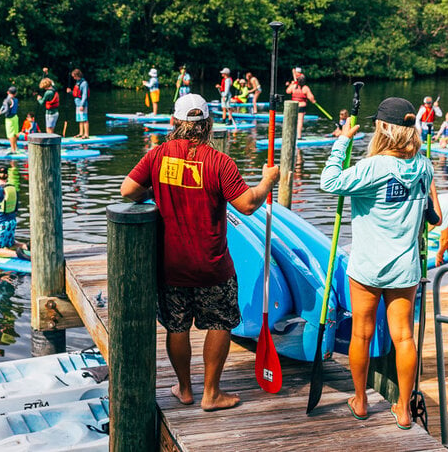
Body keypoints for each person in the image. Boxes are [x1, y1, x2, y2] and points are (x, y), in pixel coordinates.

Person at [120, 93, 280, 411]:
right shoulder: (219, 162)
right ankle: (211, 393)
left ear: (174, 123)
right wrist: (267, 181)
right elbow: (248, 204)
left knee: (176, 326)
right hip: (212, 266)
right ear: (207, 124)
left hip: (171, 266)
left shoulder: (158, 156)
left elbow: (127, 191)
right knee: (220, 322)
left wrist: (156, 187)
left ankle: (184, 389)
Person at [320, 97, 436, 430]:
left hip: (368, 266)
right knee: (403, 338)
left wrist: (342, 141)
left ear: (384, 128)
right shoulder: (424, 166)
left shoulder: (373, 167)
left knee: (362, 333)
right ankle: (402, 407)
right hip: (405, 268)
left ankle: (360, 399)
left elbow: (329, 182)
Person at [285, 70, 316, 139]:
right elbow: (311, 97)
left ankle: (290, 135)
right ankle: (299, 136)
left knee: (292, 121)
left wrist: (291, 84)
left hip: (294, 106)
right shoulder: (305, 88)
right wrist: (313, 101)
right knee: (300, 121)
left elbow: (287, 91)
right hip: (301, 106)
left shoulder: (294, 86)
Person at [0, 86, 19, 154]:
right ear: (15, 93)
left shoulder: (6, 100)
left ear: (8, 92)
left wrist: (0, 112)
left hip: (9, 119)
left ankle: (13, 150)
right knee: (15, 133)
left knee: (10, 135)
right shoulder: (16, 99)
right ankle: (15, 147)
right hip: (15, 117)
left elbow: (6, 110)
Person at [70, 68, 90, 139]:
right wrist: (70, 92)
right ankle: (81, 133)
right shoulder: (77, 82)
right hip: (77, 104)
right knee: (80, 119)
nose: (73, 78)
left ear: (78, 75)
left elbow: (84, 95)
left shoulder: (84, 83)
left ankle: (86, 134)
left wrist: (82, 105)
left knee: (84, 119)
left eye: (74, 76)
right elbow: (76, 93)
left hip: (82, 104)